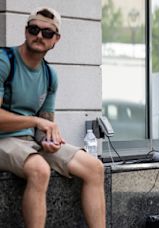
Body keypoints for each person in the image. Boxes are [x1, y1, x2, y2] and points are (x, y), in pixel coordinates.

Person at [0, 7, 105, 227]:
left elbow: (45, 125)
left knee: (94, 168)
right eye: (34, 29)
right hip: (4, 140)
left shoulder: (49, 75)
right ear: (26, 31)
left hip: (29, 143)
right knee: (40, 169)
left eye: (47, 33)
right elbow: (38, 121)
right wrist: (36, 122)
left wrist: (49, 140)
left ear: (56, 39)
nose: (39, 36)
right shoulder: (5, 61)